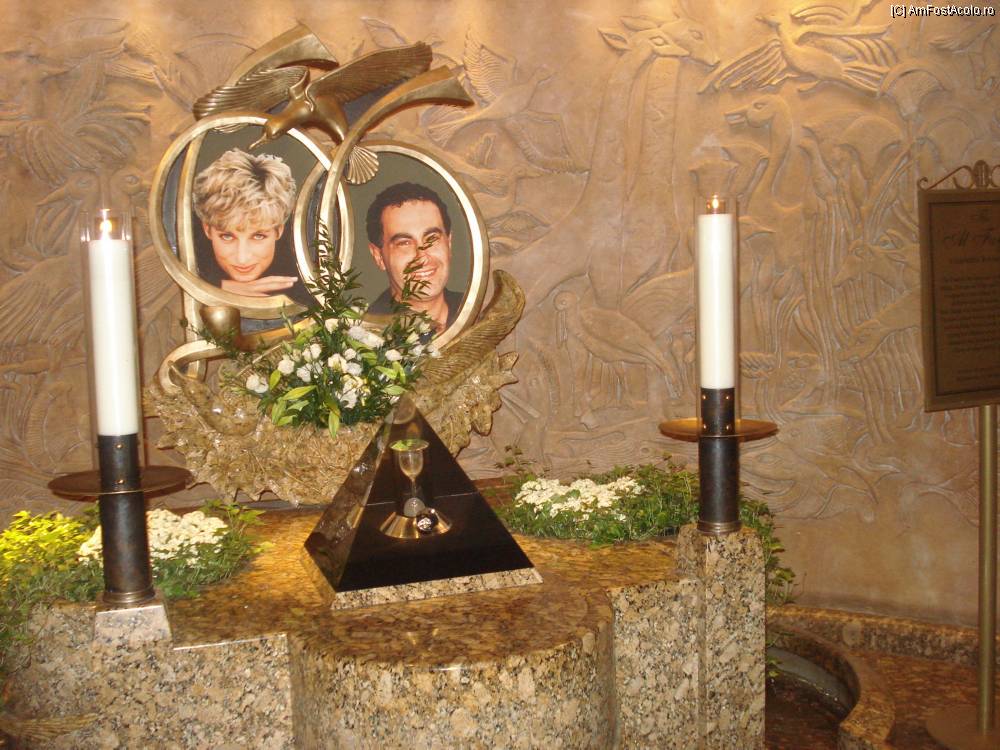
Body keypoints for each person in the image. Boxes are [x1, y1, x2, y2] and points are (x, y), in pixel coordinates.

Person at [192, 148, 302, 299]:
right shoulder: (187, 244)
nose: (242, 258)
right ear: (207, 229)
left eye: (258, 236)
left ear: (279, 230)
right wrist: (220, 287)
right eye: (227, 236)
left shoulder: (303, 262)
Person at [366, 181, 464, 333]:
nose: (422, 257)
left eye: (431, 238)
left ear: (449, 243)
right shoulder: (364, 336)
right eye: (404, 243)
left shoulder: (476, 311)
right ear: (378, 256)